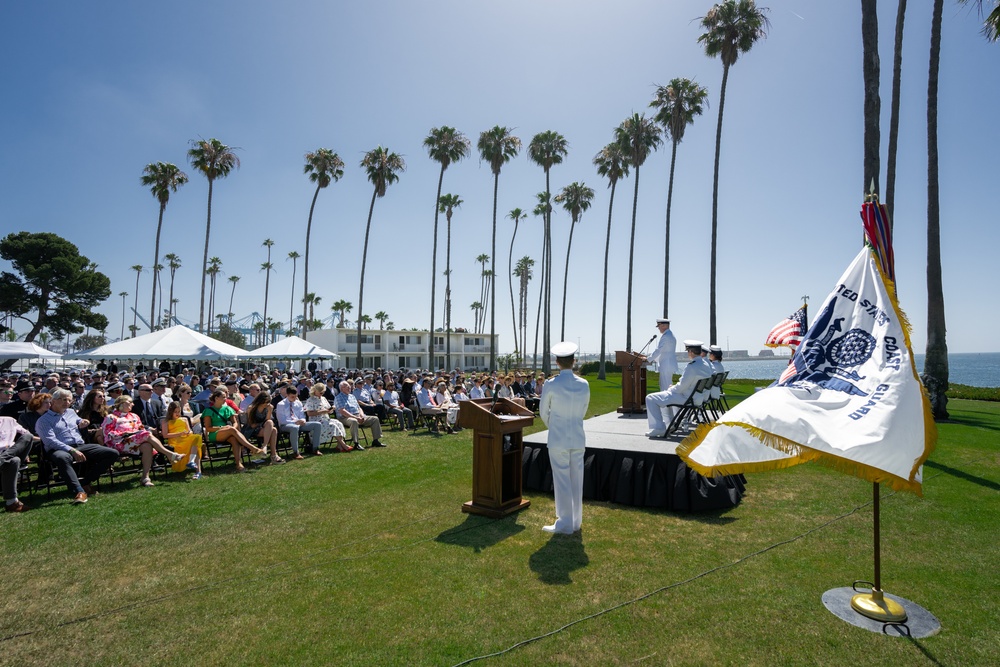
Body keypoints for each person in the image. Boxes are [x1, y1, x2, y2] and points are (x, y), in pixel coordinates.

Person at [539, 342, 590, 535]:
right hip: (577, 436)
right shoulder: (584, 384)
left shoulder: (551, 384)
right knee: (577, 479)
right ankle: (575, 521)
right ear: (574, 361)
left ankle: (565, 523)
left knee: (562, 479)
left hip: (558, 437)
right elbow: (583, 410)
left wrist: (554, 426)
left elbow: (544, 412)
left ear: (557, 362)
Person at [36, 389, 120, 504]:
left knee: (112, 453)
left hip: (80, 445)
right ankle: (79, 491)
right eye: (63, 399)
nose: (66, 402)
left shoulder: (70, 412)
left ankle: (85, 482)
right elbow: (50, 441)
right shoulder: (44, 420)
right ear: (53, 401)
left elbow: (78, 420)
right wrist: (71, 450)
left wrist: (83, 421)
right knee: (63, 458)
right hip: (58, 449)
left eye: (69, 400)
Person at [102, 394, 184, 487]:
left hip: (136, 440)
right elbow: (107, 435)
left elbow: (141, 429)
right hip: (120, 442)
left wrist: (137, 433)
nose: (133, 404)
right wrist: (123, 433)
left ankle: (145, 477)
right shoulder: (111, 417)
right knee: (147, 434)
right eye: (130, 402)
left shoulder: (134, 416)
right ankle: (169, 454)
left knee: (147, 446)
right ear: (122, 403)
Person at [644, 339, 714, 438]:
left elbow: (681, 387)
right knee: (663, 398)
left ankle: (659, 428)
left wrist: (670, 389)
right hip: (697, 398)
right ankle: (670, 424)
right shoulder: (706, 365)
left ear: (691, 352)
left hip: (687, 398)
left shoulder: (692, 366)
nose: (688, 354)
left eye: (688, 351)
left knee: (650, 398)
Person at [202, 389, 266, 473]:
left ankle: (238, 464)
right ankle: (252, 448)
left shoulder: (227, 408)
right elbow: (208, 428)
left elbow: (235, 423)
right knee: (231, 429)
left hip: (229, 432)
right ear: (216, 398)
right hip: (215, 433)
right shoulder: (208, 411)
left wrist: (231, 428)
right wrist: (223, 428)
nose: (226, 399)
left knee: (234, 439)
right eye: (223, 397)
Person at [276, 386, 325, 459]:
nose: (294, 398)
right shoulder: (280, 404)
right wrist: (295, 422)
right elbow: (281, 420)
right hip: (286, 425)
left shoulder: (298, 403)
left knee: (317, 425)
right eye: (292, 397)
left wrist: (303, 420)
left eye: (296, 396)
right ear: (287, 395)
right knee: (294, 428)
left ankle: (315, 448)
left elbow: (302, 415)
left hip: (299, 424)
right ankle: (296, 452)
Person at [334, 380, 385, 447]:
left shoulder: (352, 396)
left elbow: (359, 408)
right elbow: (342, 411)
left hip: (357, 416)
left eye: (350, 387)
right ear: (342, 388)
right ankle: (356, 443)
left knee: (374, 419)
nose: (350, 388)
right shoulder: (338, 398)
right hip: (345, 418)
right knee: (354, 421)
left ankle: (376, 440)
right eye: (347, 387)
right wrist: (356, 418)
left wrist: (361, 415)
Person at [303, 383, 352, 453]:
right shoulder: (311, 400)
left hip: (326, 418)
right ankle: (344, 445)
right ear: (315, 391)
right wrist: (321, 412)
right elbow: (309, 414)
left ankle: (339, 445)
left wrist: (331, 409)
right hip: (316, 421)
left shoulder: (323, 398)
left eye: (323, 392)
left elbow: (328, 409)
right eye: (320, 392)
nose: (322, 393)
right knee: (333, 426)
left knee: (338, 423)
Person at [161, 401, 203, 478]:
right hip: (175, 441)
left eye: (179, 411)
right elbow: (165, 435)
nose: (177, 413)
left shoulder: (184, 419)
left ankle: (192, 462)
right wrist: (179, 434)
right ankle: (198, 472)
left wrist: (188, 432)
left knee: (197, 437)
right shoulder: (165, 421)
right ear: (171, 412)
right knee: (195, 446)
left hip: (186, 437)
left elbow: (190, 430)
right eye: (175, 412)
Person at [241, 390, 285, 464]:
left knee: (272, 426)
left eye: (268, 402)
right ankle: (273, 455)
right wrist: (261, 425)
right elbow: (251, 424)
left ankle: (265, 447)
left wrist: (270, 411)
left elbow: (267, 421)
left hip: (262, 428)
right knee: (273, 430)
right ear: (260, 401)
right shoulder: (251, 408)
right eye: (265, 402)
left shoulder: (267, 408)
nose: (266, 404)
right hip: (251, 429)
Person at [1, 416, 34, 512]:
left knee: (28, 436)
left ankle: (2, 459)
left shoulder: (9, 420)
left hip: (10, 452)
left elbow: (26, 434)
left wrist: (44, 438)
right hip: (11, 459)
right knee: (14, 461)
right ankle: (11, 503)